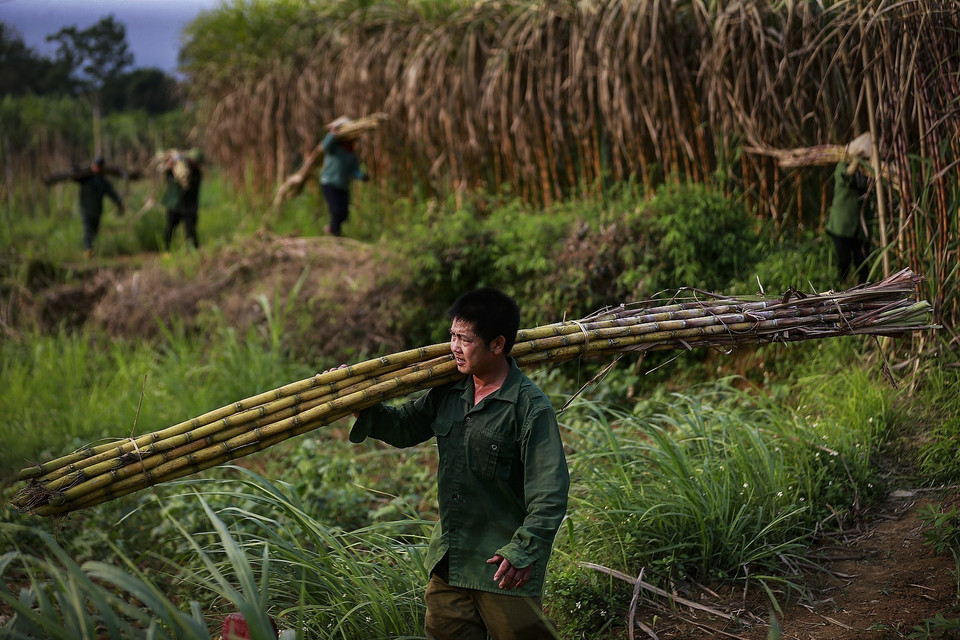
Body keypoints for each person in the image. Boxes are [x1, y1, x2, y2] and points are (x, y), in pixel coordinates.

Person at [347, 288, 569, 640]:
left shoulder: (529, 408)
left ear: (497, 345)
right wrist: (358, 403)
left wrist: (523, 550)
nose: (454, 347)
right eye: (452, 336)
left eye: (464, 339)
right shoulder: (449, 391)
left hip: (501, 565)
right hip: (450, 560)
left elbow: (550, 494)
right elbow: (405, 426)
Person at [825, 156, 873, 285]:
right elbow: (845, 175)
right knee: (844, 260)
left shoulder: (869, 172)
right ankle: (842, 286)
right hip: (842, 226)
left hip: (861, 228)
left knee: (862, 261)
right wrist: (857, 162)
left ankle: (863, 289)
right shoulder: (843, 166)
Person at [319, 116, 368, 237]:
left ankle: (331, 229)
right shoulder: (334, 147)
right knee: (336, 211)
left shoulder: (351, 152)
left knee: (344, 213)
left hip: (343, 185)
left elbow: (354, 170)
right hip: (329, 182)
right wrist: (333, 133)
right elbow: (324, 146)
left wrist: (361, 176)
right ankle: (336, 235)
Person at [73, 156, 124, 257]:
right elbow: (75, 177)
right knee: (88, 230)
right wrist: (75, 169)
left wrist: (119, 204)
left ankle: (91, 250)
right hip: (86, 209)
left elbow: (112, 194)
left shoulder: (103, 182)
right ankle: (87, 250)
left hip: (97, 211)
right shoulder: (86, 178)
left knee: (94, 231)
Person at [161, 148, 203, 249]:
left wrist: (183, 176)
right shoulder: (176, 170)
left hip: (189, 206)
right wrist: (169, 169)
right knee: (170, 229)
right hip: (175, 204)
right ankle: (166, 250)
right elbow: (170, 181)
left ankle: (193, 251)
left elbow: (188, 185)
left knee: (190, 230)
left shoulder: (196, 174)